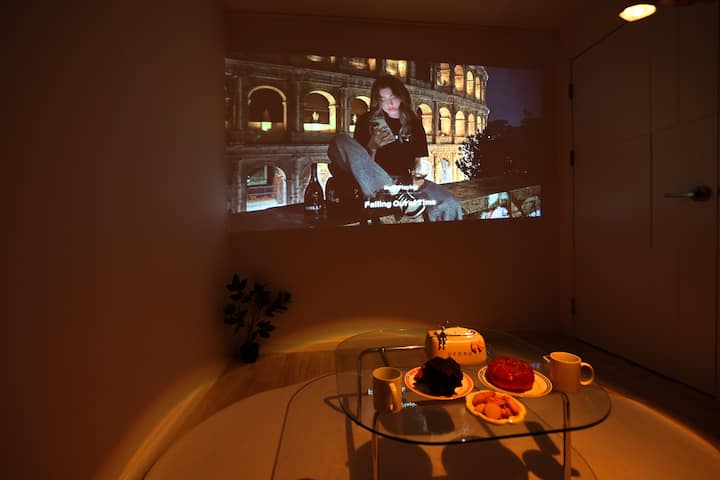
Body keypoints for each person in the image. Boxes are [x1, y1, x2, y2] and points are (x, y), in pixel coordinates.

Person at [327, 74, 463, 222]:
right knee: (339, 140)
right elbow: (361, 167)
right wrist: (372, 147)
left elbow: (418, 163)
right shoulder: (366, 121)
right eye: (383, 99)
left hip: (406, 184)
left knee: (451, 204)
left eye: (393, 97)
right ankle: (395, 194)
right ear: (377, 101)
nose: (389, 103)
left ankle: (399, 196)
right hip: (374, 186)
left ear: (402, 97)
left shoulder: (414, 123)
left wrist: (416, 178)